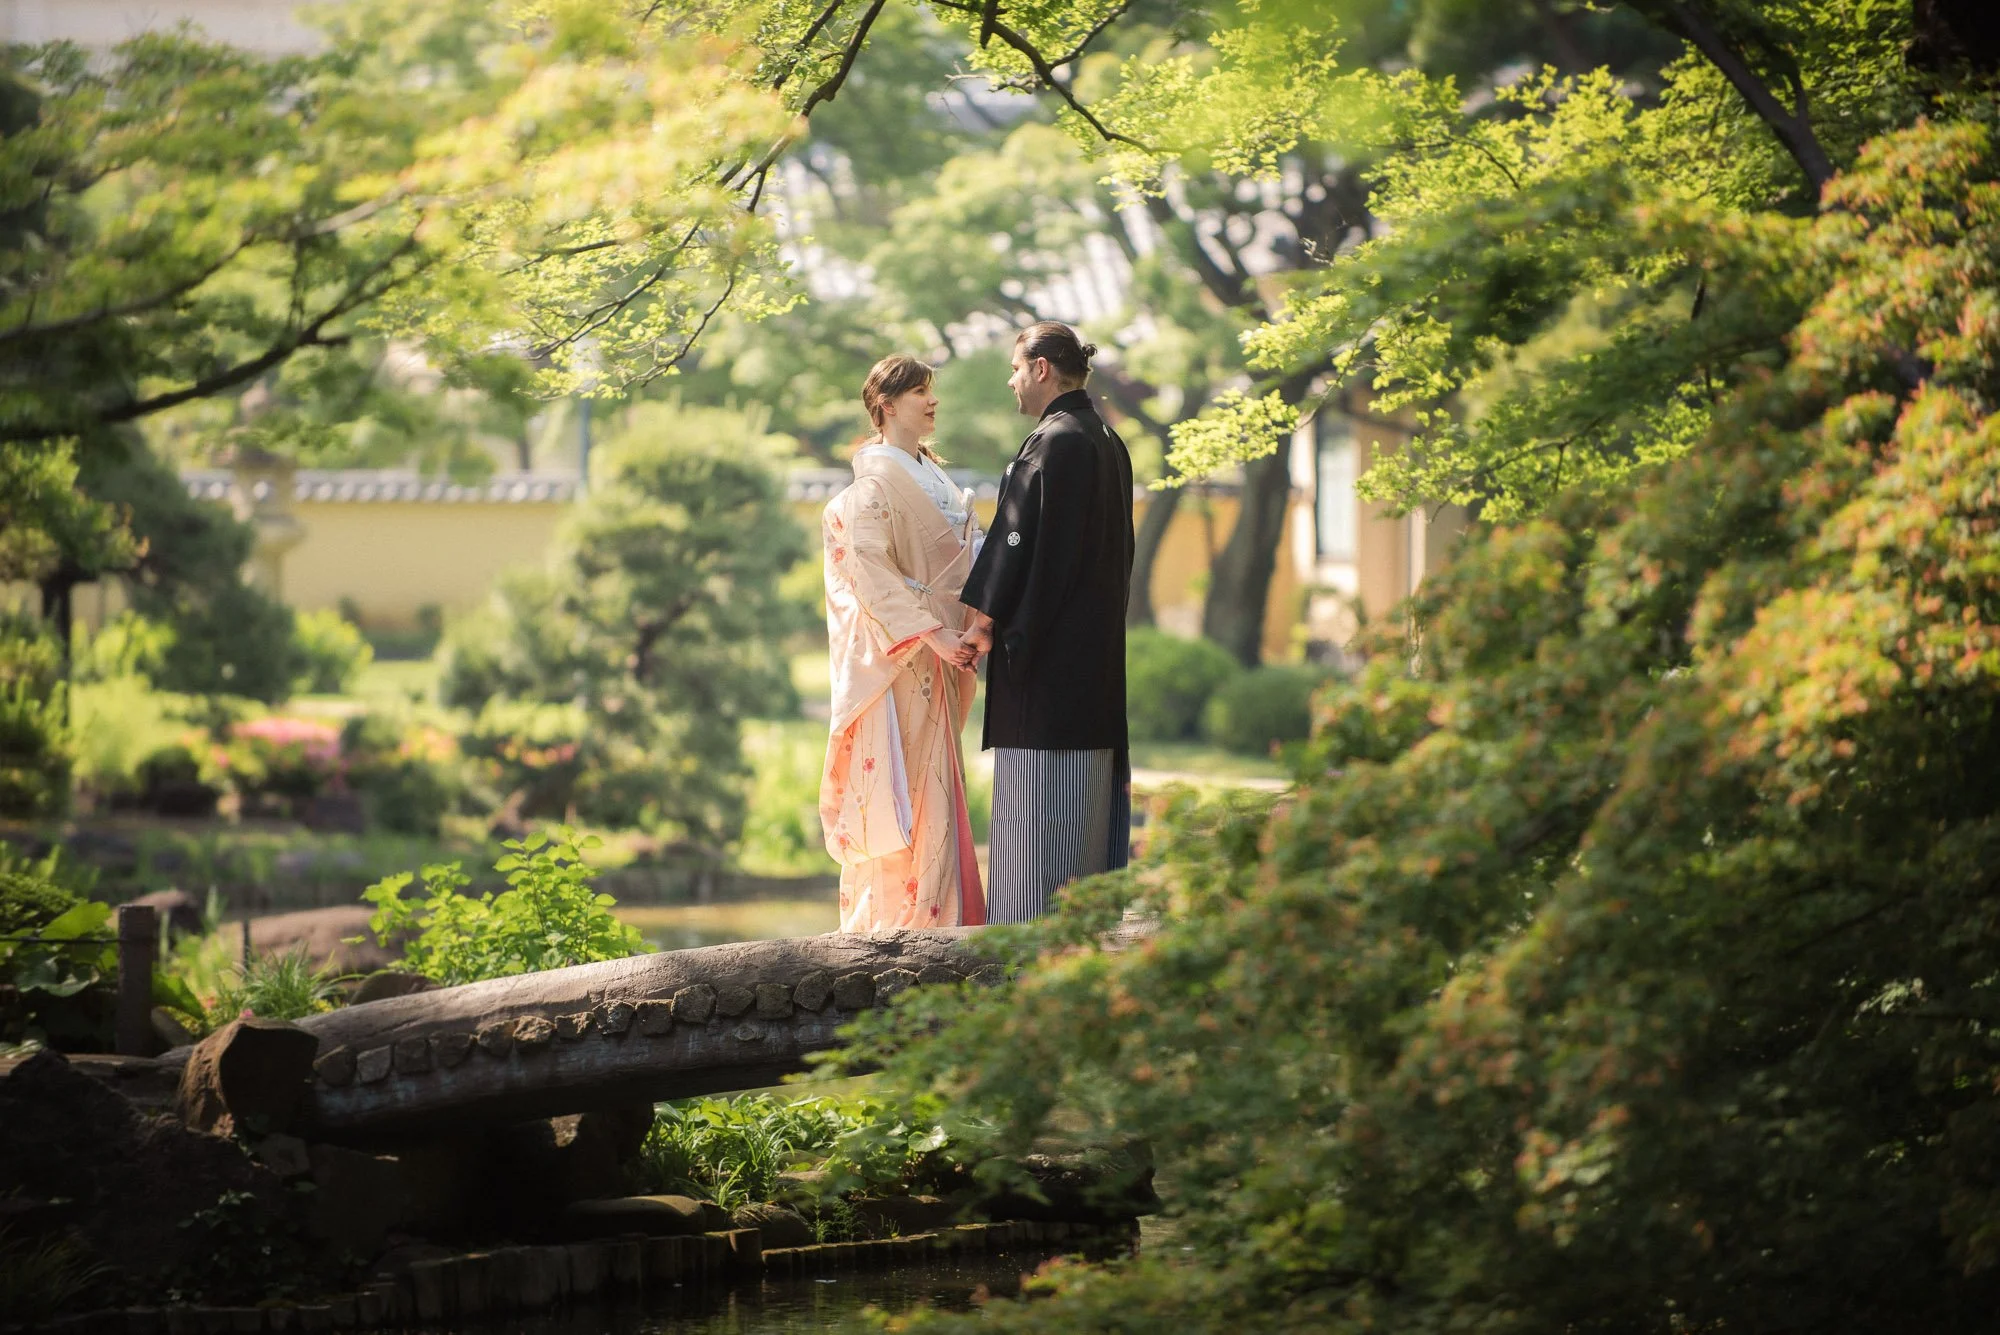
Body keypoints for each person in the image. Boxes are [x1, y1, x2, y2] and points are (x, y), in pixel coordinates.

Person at [955, 321, 1135, 922]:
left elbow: (1016, 541)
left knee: (1036, 840)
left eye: (1014, 368)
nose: (1011, 381)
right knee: (1088, 841)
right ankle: (1080, 971)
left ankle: (1020, 977)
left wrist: (984, 621)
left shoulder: (1053, 442)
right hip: (1097, 671)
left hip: (1049, 677)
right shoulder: (1108, 440)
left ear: (1040, 368)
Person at [819, 355, 987, 933]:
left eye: (930, 390)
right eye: (918, 392)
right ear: (886, 406)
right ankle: (906, 922)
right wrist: (933, 631)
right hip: (907, 655)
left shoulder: (929, 475)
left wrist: (977, 620)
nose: (931, 401)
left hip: (942, 647)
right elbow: (867, 567)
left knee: (935, 778)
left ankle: (940, 915)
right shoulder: (871, 486)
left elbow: (973, 556)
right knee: (905, 784)